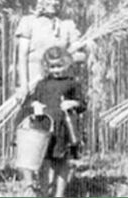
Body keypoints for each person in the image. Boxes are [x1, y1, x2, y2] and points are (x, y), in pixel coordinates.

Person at [19, 46, 85, 197]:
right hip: (45, 129)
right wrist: (35, 105)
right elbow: (30, 102)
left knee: (62, 162)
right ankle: (44, 191)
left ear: (67, 64)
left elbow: (83, 104)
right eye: (52, 67)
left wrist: (72, 103)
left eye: (59, 66)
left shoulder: (72, 83)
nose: (56, 70)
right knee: (43, 161)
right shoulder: (42, 84)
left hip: (65, 129)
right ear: (47, 67)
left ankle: (59, 194)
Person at [15, 0, 87, 99]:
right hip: (33, 84)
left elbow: (80, 55)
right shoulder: (29, 22)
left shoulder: (67, 25)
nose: (53, 2)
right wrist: (24, 86)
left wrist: (66, 57)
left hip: (59, 86)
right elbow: (22, 56)